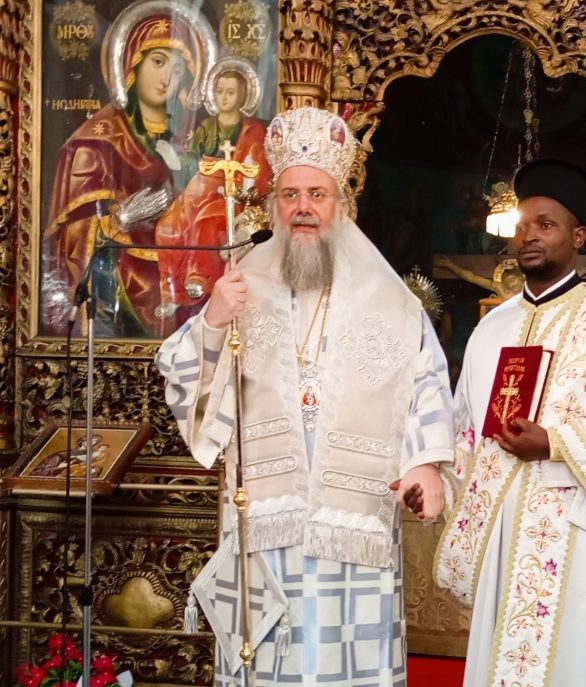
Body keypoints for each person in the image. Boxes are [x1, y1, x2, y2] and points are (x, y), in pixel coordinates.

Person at [156, 107, 453, 686]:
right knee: (270, 661)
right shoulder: (243, 282)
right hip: (267, 517)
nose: (303, 207)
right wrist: (213, 319)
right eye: (290, 194)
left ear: (341, 205)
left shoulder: (388, 297)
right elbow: (181, 376)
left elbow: (426, 382)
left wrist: (424, 463)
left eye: (317, 194)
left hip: (355, 522)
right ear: (275, 205)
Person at [434, 158, 586, 687]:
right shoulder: (491, 328)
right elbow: (465, 428)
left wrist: (555, 442)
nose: (529, 236)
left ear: (577, 236)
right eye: (522, 226)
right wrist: (439, 480)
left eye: (546, 225)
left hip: (575, 532)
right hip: (499, 528)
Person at [43, 5, 209, 337]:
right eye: (158, 62)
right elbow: (67, 240)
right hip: (119, 286)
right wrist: (118, 221)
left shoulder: (195, 141)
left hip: (181, 283)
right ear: (132, 62)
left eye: (177, 69)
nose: (167, 79)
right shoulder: (94, 143)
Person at [156, 59, 272, 325]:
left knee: (206, 221)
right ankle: (173, 291)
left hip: (230, 194)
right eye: (219, 91)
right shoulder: (207, 127)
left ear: (243, 96)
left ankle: (198, 278)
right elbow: (193, 162)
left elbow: (255, 168)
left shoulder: (252, 131)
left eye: (231, 92)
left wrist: (235, 187)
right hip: (198, 190)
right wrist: (177, 161)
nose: (224, 97)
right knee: (166, 227)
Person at [33, 434, 111, 478]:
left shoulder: (92, 455)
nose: (93, 443)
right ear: (83, 441)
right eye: (91, 440)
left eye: (95, 442)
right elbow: (37, 473)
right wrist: (59, 467)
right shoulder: (61, 456)